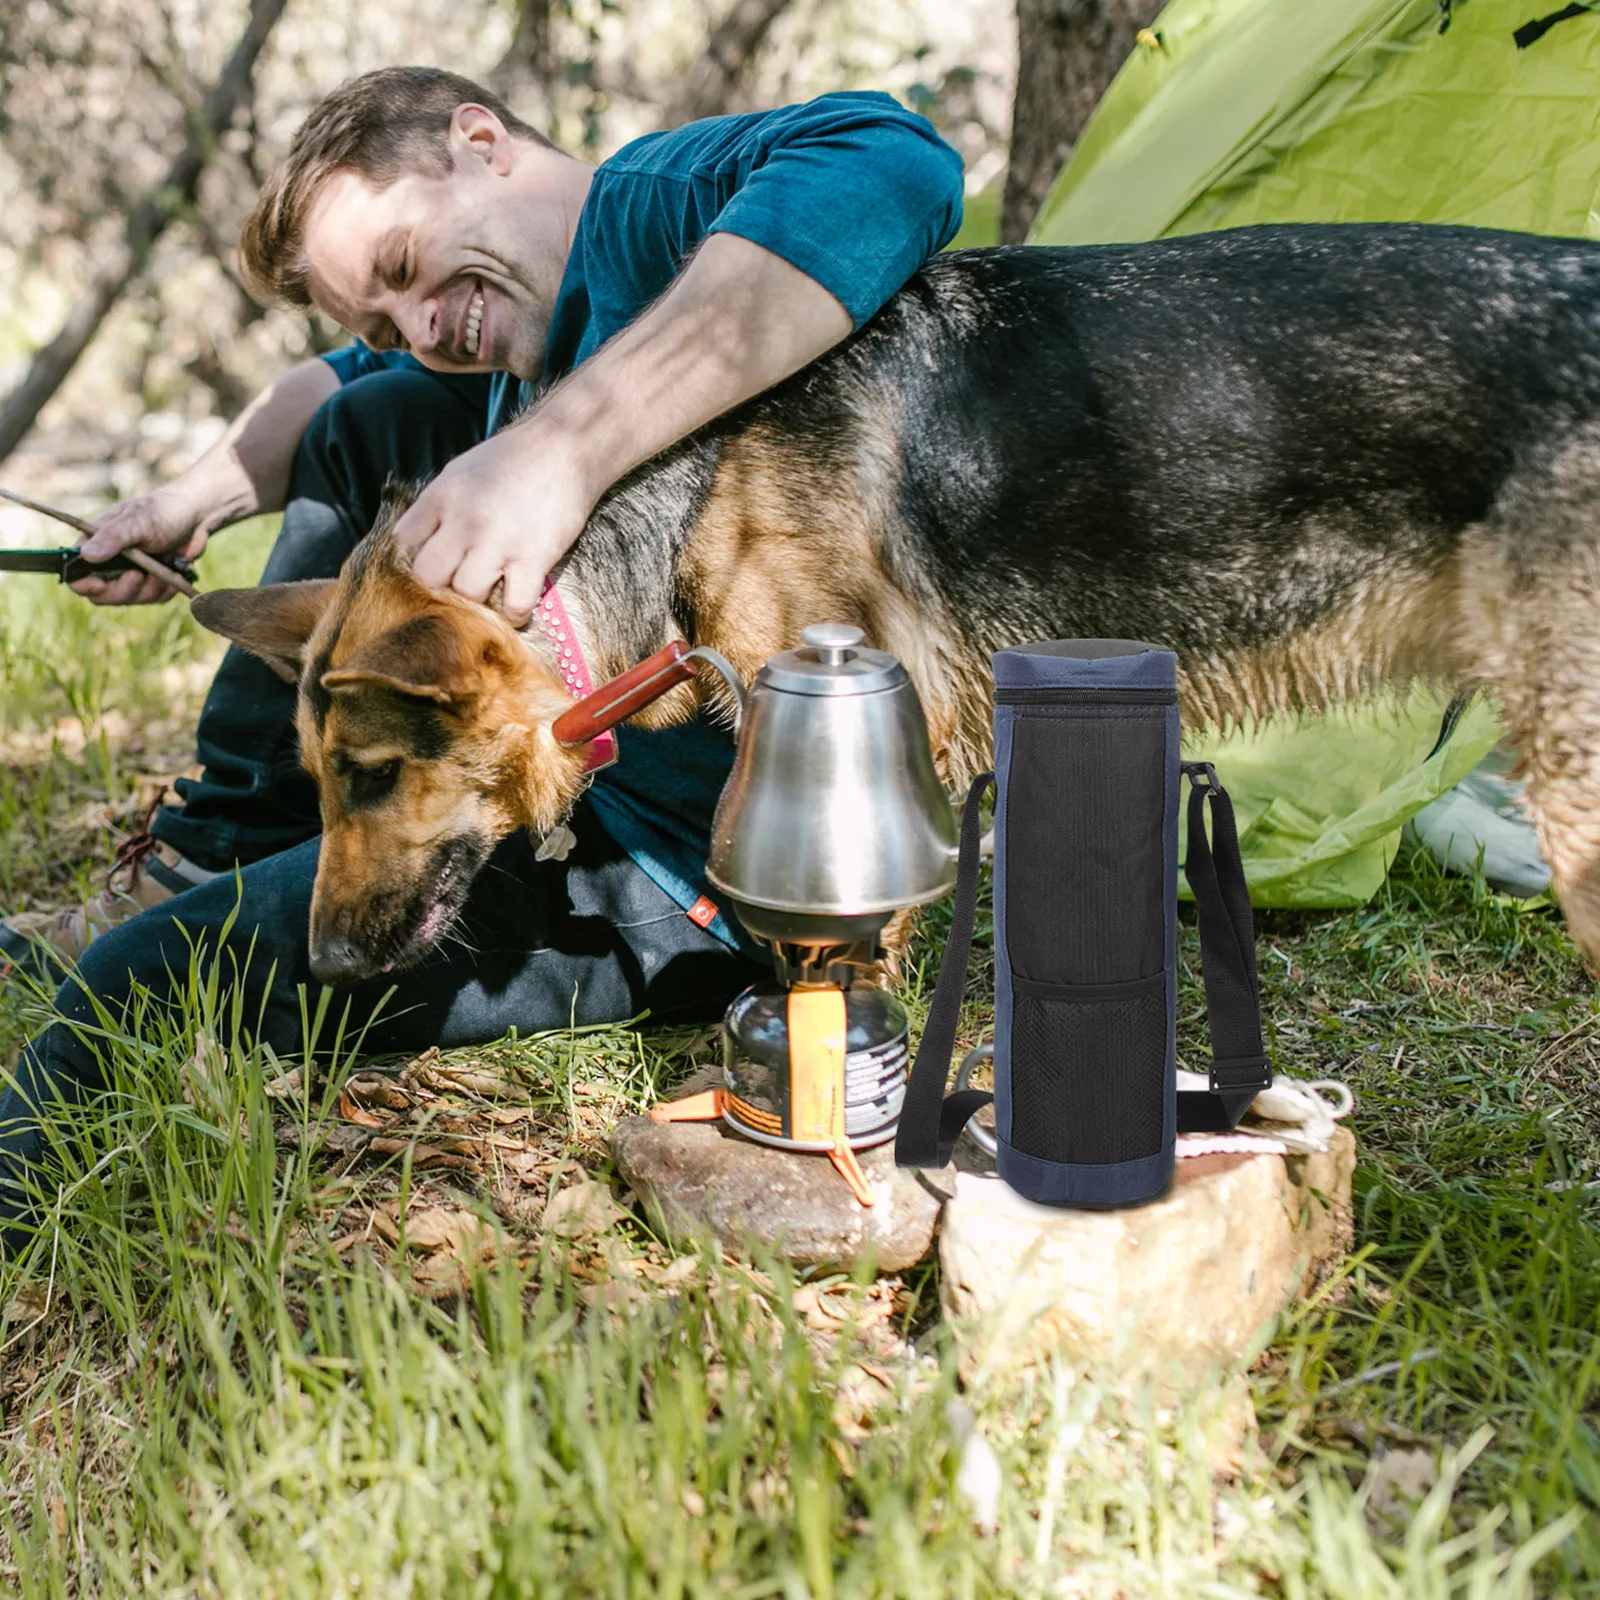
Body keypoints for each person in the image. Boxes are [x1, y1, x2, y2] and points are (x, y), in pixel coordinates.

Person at [0, 67, 963, 1235]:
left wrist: (563, 445)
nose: (419, 327)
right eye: (382, 318)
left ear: (480, 140)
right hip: (554, 779)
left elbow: (892, 158)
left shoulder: (651, 209)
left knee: (141, 977)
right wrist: (188, 502)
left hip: (688, 862)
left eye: (404, 265)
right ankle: (217, 851)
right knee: (366, 418)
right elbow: (341, 384)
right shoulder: (495, 351)